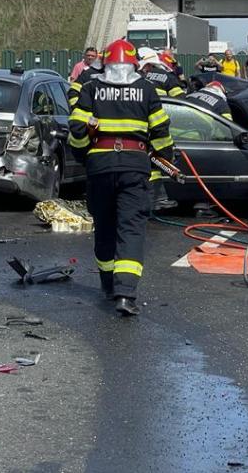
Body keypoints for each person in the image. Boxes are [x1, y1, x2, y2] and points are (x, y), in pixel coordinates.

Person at [68, 38, 176, 317]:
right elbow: (161, 134)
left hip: (100, 168)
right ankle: (125, 294)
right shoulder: (146, 89)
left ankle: (107, 285)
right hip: (135, 168)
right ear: (133, 63)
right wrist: (166, 163)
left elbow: (77, 131)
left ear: (105, 62)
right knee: (131, 229)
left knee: (104, 227)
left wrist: (85, 158)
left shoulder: (91, 88)